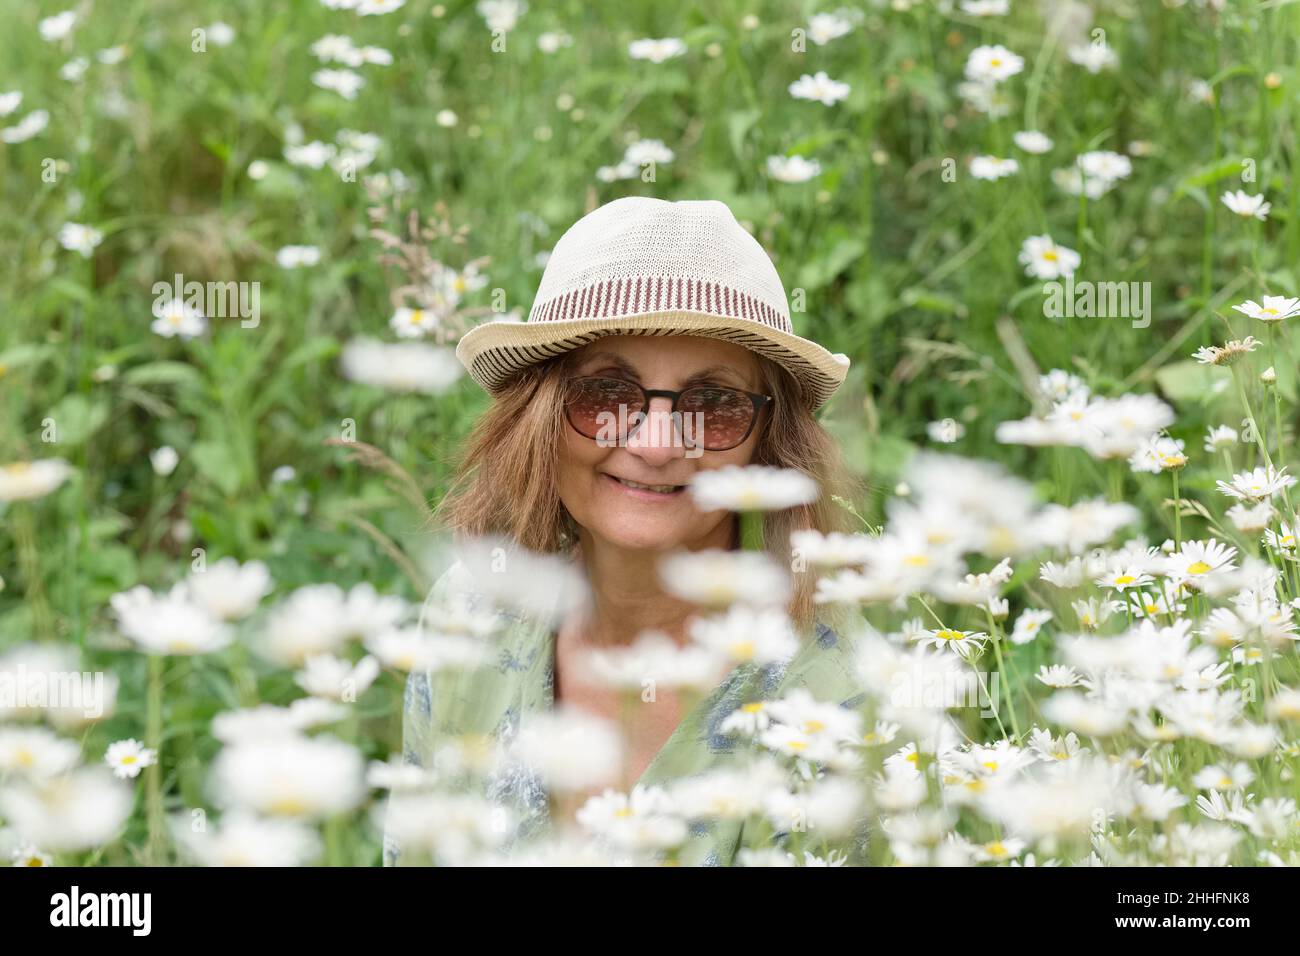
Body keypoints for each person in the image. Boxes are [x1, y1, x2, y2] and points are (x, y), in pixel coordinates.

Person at [384, 196, 865, 865]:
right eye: (606, 393)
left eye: (714, 405)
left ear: (769, 444)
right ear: (539, 416)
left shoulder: (834, 699)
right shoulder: (471, 614)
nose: (658, 443)